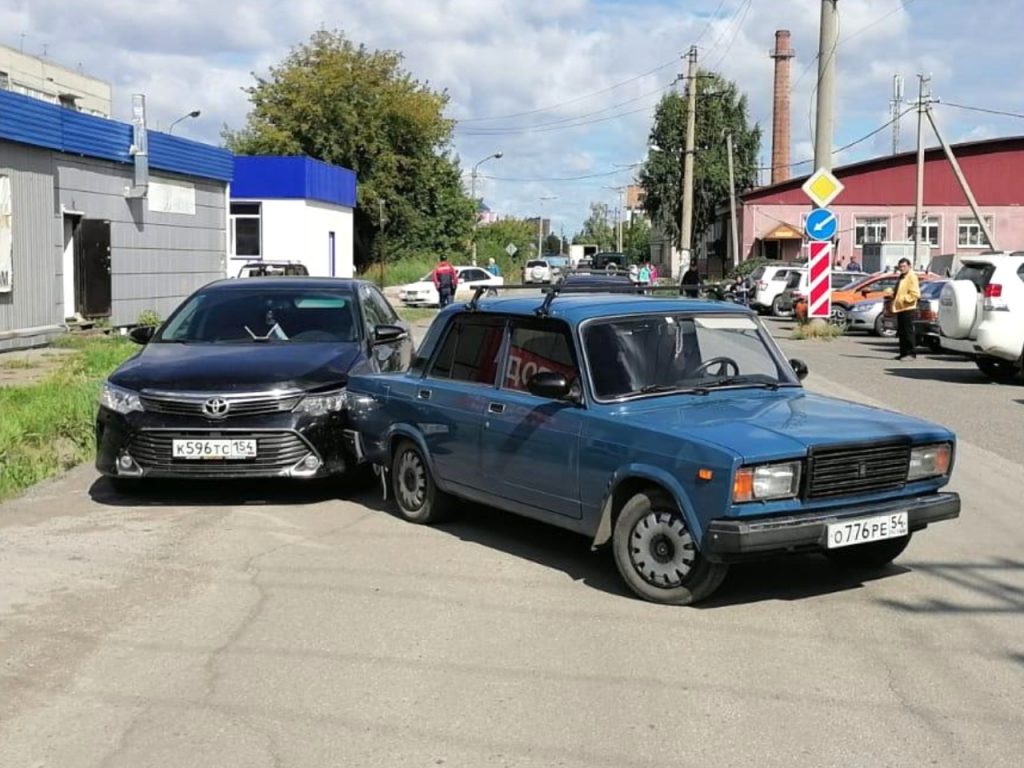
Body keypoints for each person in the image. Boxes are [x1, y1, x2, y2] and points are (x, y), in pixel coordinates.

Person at [891, 257, 921, 360]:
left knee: (908, 332)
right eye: (900, 266)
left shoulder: (912, 277)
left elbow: (915, 294)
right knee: (902, 332)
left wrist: (904, 299)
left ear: (909, 266)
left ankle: (911, 353)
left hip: (908, 308)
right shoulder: (902, 276)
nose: (902, 268)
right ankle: (903, 353)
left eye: (904, 266)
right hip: (900, 308)